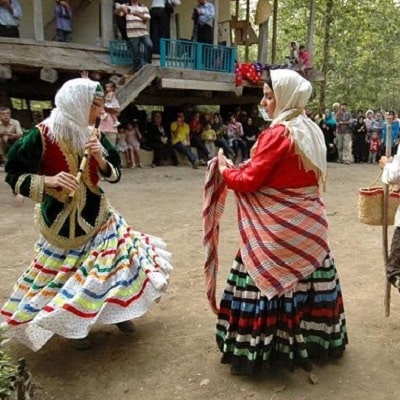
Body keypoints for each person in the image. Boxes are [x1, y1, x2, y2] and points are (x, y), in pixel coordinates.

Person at [0, 77, 172, 351]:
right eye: (96, 105)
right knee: (66, 276)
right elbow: (13, 174)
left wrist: (100, 157)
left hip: (100, 216)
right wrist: (49, 181)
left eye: (102, 105)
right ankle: (71, 327)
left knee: (115, 266)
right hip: (59, 221)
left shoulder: (95, 135)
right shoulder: (41, 135)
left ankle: (119, 313)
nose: (100, 112)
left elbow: (114, 173)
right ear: (78, 103)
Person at [203, 68, 348, 376]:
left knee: (259, 273)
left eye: (269, 97)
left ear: (284, 98)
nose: (265, 103)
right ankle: (315, 341)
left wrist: (224, 168)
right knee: (310, 279)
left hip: (276, 234)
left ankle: (263, 350)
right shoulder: (311, 129)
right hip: (309, 229)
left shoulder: (278, 134)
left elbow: (248, 181)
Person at [116, 0, 153, 73]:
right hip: (132, 33)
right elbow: (118, 14)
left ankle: (148, 63)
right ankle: (137, 69)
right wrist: (121, 8)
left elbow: (146, 19)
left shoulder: (143, 7)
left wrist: (136, 14)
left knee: (149, 45)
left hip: (143, 32)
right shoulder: (126, 6)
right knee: (136, 53)